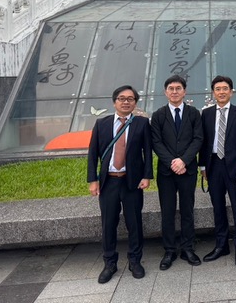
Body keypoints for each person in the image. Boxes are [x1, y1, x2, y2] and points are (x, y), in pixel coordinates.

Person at [87, 85, 153, 284]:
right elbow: (93, 154)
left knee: (134, 223)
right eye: (122, 98)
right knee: (108, 224)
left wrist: (147, 176)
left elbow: (147, 152)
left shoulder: (141, 123)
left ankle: (135, 261)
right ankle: (109, 263)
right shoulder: (102, 124)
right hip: (108, 183)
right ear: (114, 101)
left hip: (132, 182)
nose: (126, 102)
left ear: (135, 103)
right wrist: (93, 180)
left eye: (130, 99)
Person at [151, 75, 203, 270]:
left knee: (187, 210)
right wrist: (172, 162)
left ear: (184, 91)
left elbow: (198, 139)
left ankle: (188, 248)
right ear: (165, 92)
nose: (174, 91)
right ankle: (169, 250)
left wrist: (184, 160)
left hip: (187, 170)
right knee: (168, 211)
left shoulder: (193, 113)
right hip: (166, 172)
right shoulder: (158, 115)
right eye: (171, 88)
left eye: (178, 88)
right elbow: (156, 142)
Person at [199, 75, 236, 267]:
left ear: (231, 92)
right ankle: (221, 245)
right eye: (218, 89)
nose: (221, 92)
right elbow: (203, 142)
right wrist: (203, 166)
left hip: (234, 166)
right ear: (213, 92)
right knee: (218, 207)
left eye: (225, 89)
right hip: (213, 165)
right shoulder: (206, 114)